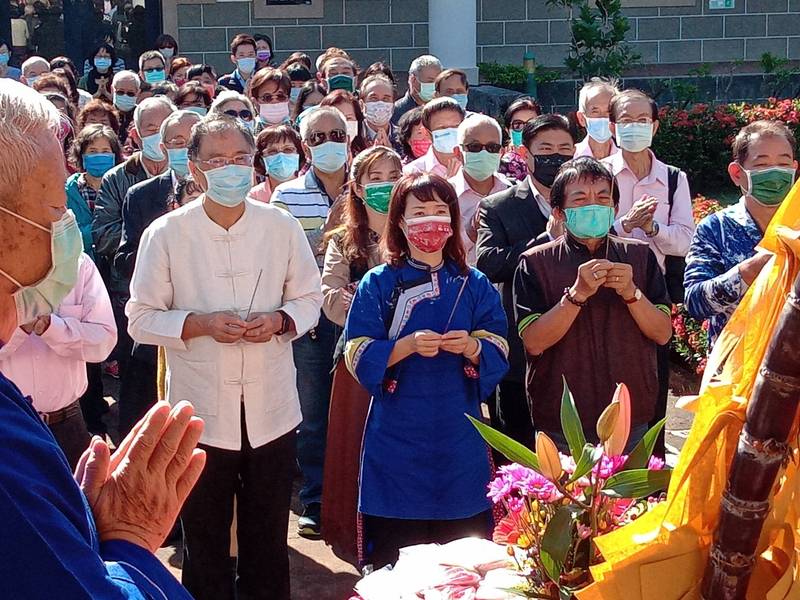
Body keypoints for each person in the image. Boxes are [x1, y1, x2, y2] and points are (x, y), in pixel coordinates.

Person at [0, 77, 205, 600]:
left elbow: (101, 341)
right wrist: (130, 543)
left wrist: (78, 526)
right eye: (53, 211)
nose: (67, 228)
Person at [127, 114, 323, 600]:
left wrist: (278, 321)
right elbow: (140, 318)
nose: (229, 169)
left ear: (254, 163)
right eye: (216, 160)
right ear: (194, 170)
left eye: (239, 158)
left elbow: (309, 299)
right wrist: (200, 323)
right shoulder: (167, 233)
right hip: (199, 413)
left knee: (268, 540)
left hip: (271, 412)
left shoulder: (280, 226)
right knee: (205, 539)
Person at [344, 173, 509, 569]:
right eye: (419, 212)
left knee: (464, 558)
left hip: (459, 435)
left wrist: (471, 346)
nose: (430, 221)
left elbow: (500, 345)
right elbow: (355, 351)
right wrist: (404, 346)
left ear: (452, 220)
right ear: (399, 221)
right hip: (396, 437)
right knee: (397, 560)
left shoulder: (475, 282)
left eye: (439, 211)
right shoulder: (378, 283)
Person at [514, 157, 672, 450]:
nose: (593, 206)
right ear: (559, 212)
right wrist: (576, 295)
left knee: (628, 494)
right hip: (562, 417)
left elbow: (662, 333)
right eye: (580, 199)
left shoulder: (639, 256)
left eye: (602, 198)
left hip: (629, 410)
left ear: (614, 209)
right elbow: (534, 342)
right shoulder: (535, 262)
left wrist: (631, 293)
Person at [321, 145, 402, 565]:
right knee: (360, 448)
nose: (385, 185)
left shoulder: (419, 232)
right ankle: (363, 545)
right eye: (375, 177)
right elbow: (333, 301)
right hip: (359, 364)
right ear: (357, 186)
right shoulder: (343, 242)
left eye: (394, 174)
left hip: (415, 361)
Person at [272, 106, 349, 538]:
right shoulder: (286, 195)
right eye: (318, 137)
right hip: (310, 323)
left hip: (357, 315)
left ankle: (356, 498)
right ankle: (317, 501)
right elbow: (285, 258)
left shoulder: (367, 190)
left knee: (358, 410)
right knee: (314, 414)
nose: (329, 142)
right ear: (305, 146)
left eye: (336, 133)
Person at [475, 114, 574, 447]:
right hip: (519, 349)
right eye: (545, 149)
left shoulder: (588, 201)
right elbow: (488, 262)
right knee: (517, 449)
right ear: (524, 154)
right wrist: (544, 241)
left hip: (577, 348)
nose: (555, 158)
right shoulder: (498, 206)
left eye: (564, 149)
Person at [603, 89, 693, 456]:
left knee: (652, 379)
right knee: (608, 380)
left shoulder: (673, 178)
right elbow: (592, 233)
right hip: (606, 289)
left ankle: (650, 468)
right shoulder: (599, 175)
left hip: (652, 291)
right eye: (626, 120)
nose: (634, 127)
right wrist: (628, 224)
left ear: (655, 127)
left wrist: (652, 228)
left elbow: (684, 241)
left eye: (642, 120)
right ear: (612, 127)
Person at [114, 110, 202, 438]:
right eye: (176, 142)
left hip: (211, 327)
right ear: (163, 148)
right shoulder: (142, 196)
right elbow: (123, 258)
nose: (185, 148)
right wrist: (165, 248)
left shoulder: (228, 194)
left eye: (192, 140)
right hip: (159, 330)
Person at [0, 250, 117, 468]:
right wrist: (18, 327)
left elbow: (104, 341)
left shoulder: (78, 265)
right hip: (8, 427)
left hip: (67, 425)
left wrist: (49, 327)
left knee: (79, 499)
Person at [685, 120, 797, 346]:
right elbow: (695, 302)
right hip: (736, 368)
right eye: (762, 165)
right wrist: (748, 271)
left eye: (783, 164)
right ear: (737, 173)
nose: (775, 174)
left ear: (794, 168)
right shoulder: (715, 228)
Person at [92, 96, 174, 387]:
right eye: (150, 128)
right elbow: (103, 236)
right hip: (129, 293)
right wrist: (152, 236)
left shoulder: (191, 178)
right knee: (136, 384)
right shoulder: (116, 179)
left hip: (179, 300)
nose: (158, 134)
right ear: (137, 135)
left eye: (165, 126)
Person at [450, 114, 510, 264]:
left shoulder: (513, 192)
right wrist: (470, 233)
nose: (484, 153)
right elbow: (438, 253)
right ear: (458, 153)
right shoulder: (443, 195)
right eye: (475, 147)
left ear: (501, 153)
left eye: (492, 147)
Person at [403, 96, 465, 179]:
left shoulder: (477, 165)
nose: (450, 131)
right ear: (427, 133)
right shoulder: (414, 172)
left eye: (456, 126)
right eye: (442, 128)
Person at [249, 124, 305, 203]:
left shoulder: (314, 193)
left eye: (288, 149)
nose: (281, 156)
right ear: (261, 159)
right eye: (272, 151)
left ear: (299, 154)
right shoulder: (253, 197)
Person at [575, 78, 619, 160]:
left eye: (608, 112)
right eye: (595, 112)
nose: (602, 117)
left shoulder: (626, 160)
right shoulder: (571, 157)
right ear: (581, 118)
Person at [392, 54, 442, 126]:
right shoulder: (395, 113)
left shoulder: (444, 111)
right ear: (413, 80)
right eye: (430, 81)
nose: (434, 86)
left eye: (437, 81)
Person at [498, 96, 540, 183]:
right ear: (508, 130)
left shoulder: (550, 158)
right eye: (518, 125)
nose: (525, 130)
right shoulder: (504, 165)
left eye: (531, 124)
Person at [320, 90, 368, 155]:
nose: (344, 123)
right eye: (337, 118)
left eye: (348, 118)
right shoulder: (317, 158)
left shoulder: (366, 157)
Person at [359, 74, 399, 151]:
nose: (380, 104)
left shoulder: (403, 137)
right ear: (361, 105)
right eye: (374, 98)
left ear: (393, 107)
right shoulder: (354, 137)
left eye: (386, 99)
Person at [111, 70, 141, 144]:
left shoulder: (142, 115)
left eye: (130, 93)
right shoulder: (105, 115)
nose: (125, 96)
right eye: (120, 92)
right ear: (112, 90)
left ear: (138, 93)